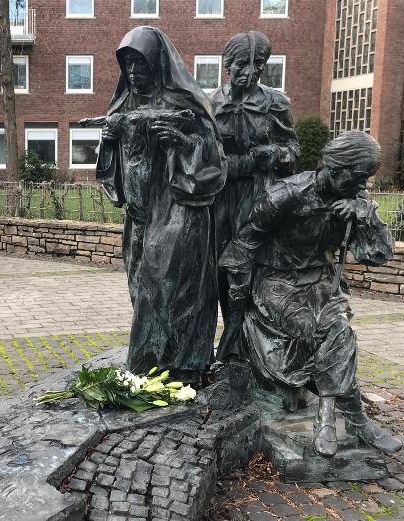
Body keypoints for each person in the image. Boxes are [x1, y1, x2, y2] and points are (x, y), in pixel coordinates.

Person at [219, 131, 402, 457]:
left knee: (338, 328)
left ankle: (328, 416)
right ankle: (353, 420)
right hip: (277, 283)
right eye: (360, 176)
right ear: (336, 168)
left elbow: (378, 256)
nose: (364, 184)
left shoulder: (355, 201)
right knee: (319, 327)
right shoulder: (285, 195)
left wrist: (367, 220)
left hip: (321, 284)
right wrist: (238, 298)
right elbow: (242, 246)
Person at [95, 26, 226, 383]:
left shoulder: (185, 105)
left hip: (180, 210)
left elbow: (216, 161)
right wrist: (109, 142)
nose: (134, 73)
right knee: (142, 288)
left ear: (158, 64)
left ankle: (179, 364)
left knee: (171, 287)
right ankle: (156, 360)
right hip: (140, 215)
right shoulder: (124, 104)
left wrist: (183, 142)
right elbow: (115, 171)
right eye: (128, 66)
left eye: (141, 64)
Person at [211, 31, 299, 347]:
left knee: (254, 266)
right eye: (241, 65)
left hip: (259, 196)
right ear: (226, 64)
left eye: (257, 64)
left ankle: (250, 340)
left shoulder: (275, 102)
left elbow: (293, 149)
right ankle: (231, 334)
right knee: (222, 266)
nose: (249, 72)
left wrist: (274, 154)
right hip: (220, 197)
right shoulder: (211, 102)